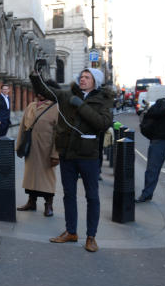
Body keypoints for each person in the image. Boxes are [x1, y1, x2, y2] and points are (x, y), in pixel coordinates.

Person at [30, 67, 114, 252]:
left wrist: (81, 105)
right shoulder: (67, 95)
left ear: (95, 81)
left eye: (87, 77)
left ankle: (91, 237)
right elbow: (46, 91)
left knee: (92, 196)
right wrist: (36, 77)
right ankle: (71, 232)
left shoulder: (103, 100)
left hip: (88, 156)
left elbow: (102, 123)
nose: (82, 79)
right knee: (69, 195)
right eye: (81, 76)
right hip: (67, 153)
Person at [15, 89, 59, 216]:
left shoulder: (56, 107)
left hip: (46, 150)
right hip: (31, 148)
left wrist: (55, 154)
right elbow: (23, 127)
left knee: (47, 179)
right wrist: (19, 146)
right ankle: (31, 202)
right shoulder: (31, 106)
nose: (40, 93)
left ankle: (48, 204)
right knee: (30, 177)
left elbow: (58, 134)